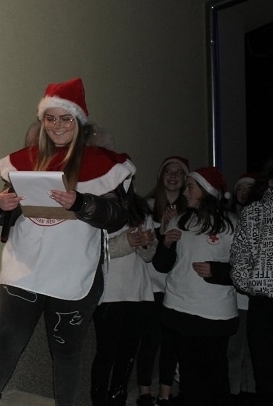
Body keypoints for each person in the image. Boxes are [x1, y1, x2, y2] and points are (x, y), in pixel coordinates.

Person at [0, 77, 134, 406]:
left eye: (65, 118)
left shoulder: (103, 164)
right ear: (42, 120)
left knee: (66, 354)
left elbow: (119, 216)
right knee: (6, 342)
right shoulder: (25, 160)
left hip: (73, 271)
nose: (57, 125)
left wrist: (81, 203)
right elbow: (7, 210)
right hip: (25, 268)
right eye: (50, 118)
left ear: (79, 122)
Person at [153, 167, 238, 406]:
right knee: (189, 373)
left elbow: (245, 269)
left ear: (206, 191)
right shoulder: (180, 220)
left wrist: (217, 271)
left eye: (190, 187)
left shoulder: (230, 225)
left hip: (214, 314)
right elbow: (162, 266)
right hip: (180, 308)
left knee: (214, 373)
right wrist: (166, 245)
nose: (185, 192)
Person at [90, 177, 156, 406]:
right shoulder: (99, 207)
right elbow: (93, 250)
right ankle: (99, 400)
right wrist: (127, 241)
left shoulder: (140, 209)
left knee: (128, 353)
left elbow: (149, 256)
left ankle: (117, 399)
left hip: (137, 291)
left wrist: (145, 243)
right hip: (109, 293)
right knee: (106, 353)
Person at [136, 156, 190, 406]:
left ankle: (165, 395)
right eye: (168, 171)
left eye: (179, 172)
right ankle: (145, 393)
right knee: (149, 342)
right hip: (151, 286)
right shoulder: (146, 207)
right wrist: (162, 230)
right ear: (161, 176)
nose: (173, 176)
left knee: (171, 344)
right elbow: (145, 250)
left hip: (178, 288)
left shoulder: (191, 210)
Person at [231, 156, 273, 406]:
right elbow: (239, 259)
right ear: (269, 182)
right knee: (265, 373)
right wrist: (257, 285)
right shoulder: (254, 213)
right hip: (264, 305)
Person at [226, 173, 257, 405]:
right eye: (239, 189)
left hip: (256, 299)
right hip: (234, 300)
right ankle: (234, 393)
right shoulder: (229, 221)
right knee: (235, 350)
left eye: (249, 189)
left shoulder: (261, 220)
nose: (243, 193)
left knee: (255, 352)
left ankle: (251, 392)